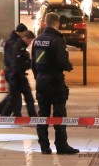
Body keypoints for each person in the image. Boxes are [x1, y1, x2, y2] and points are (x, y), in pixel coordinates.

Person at [32, 12, 79, 155]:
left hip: (41, 81)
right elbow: (62, 61)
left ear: (45, 22)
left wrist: (38, 77)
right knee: (59, 113)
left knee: (42, 115)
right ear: (57, 23)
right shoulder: (57, 40)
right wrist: (68, 66)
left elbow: (33, 63)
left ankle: (44, 146)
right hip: (55, 82)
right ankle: (61, 145)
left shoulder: (37, 40)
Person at [0, 23, 28, 117]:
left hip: (13, 71)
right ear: (21, 32)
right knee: (15, 95)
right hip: (12, 72)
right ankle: (14, 114)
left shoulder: (14, 40)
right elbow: (12, 59)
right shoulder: (13, 42)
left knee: (12, 95)